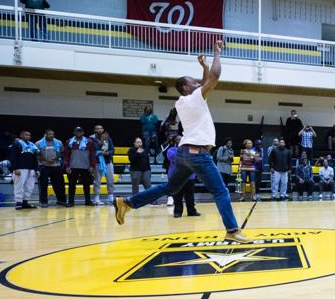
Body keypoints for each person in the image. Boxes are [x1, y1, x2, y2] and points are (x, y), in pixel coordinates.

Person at [114, 41, 251, 243]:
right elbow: (214, 78)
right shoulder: (193, 97)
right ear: (186, 87)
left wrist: (203, 67)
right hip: (197, 153)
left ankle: (126, 202)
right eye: (194, 82)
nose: (198, 83)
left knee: (170, 188)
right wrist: (216, 53)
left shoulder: (183, 101)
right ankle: (231, 230)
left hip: (185, 153)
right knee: (221, 191)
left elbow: (206, 82)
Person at [166, 140, 200, 218]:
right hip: (177, 175)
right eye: (178, 140)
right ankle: (178, 211)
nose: (180, 141)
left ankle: (191, 211)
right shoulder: (171, 150)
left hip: (190, 176)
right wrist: (181, 150)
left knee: (190, 195)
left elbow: (195, 157)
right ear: (175, 142)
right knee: (177, 194)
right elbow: (172, 158)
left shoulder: (191, 149)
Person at [64, 127, 97, 206]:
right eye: (77, 131)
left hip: (86, 167)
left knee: (87, 185)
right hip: (73, 167)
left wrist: (92, 166)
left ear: (83, 133)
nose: (78, 133)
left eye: (80, 131)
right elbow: (66, 155)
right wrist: (67, 166)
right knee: (72, 185)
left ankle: (88, 201)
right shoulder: (69, 142)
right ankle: (71, 202)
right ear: (74, 132)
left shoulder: (89, 142)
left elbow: (92, 155)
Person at [9, 130, 39, 210]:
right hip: (20, 169)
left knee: (30, 187)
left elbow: (35, 159)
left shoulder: (32, 145)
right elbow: (13, 158)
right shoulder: (16, 145)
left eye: (29, 135)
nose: (28, 136)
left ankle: (25, 203)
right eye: (26, 135)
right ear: (21, 136)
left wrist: (36, 169)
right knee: (19, 186)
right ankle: (18, 203)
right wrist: (15, 168)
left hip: (31, 169)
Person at [36, 129, 64, 207]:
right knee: (43, 185)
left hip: (56, 165)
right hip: (43, 166)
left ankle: (60, 200)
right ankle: (43, 202)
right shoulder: (38, 143)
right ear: (45, 134)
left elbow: (61, 152)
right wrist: (45, 159)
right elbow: (36, 155)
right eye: (49, 134)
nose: (51, 135)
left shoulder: (58, 142)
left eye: (52, 134)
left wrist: (55, 159)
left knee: (58, 184)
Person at [94, 130, 116, 205]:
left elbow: (113, 150)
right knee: (97, 181)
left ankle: (110, 198)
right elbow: (95, 150)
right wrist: (101, 141)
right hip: (98, 163)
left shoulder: (109, 140)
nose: (105, 136)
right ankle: (96, 198)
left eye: (106, 134)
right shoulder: (94, 140)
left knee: (110, 180)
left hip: (108, 162)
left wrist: (107, 153)